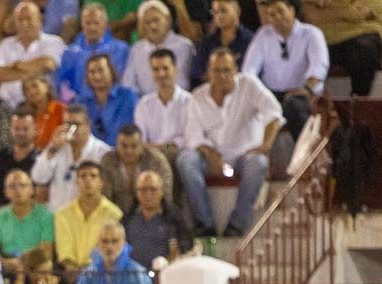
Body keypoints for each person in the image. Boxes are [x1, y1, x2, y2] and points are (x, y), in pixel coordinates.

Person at [178, 49, 282, 238]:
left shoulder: (249, 85)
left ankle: (236, 225)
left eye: (226, 70)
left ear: (235, 70)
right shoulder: (197, 97)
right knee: (186, 160)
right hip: (210, 158)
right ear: (209, 72)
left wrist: (266, 146)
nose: (222, 76)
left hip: (244, 154)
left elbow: (274, 114)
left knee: (258, 163)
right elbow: (193, 136)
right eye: (217, 71)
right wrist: (211, 155)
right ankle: (204, 224)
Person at [241, 0, 328, 141]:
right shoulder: (263, 35)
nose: (277, 18)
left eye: (281, 12)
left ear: (292, 10)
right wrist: (256, 93)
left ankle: (307, 155)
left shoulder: (312, 34)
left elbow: (319, 68)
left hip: (305, 94)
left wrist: (306, 89)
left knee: (294, 106)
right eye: (271, 15)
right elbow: (249, 70)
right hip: (271, 95)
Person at [30, 103, 111, 212]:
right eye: (66, 124)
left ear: (87, 125)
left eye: (76, 124)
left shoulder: (103, 152)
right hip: (58, 216)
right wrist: (53, 148)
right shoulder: (56, 146)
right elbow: (38, 177)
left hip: (87, 217)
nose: (71, 129)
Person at [0, 168, 55, 284]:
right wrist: (5, 262)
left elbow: (47, 250)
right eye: (12, 186)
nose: (17, 190)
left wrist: (23, 262)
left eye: (22, 185)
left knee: (43, 272)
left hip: (36, 263)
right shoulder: (0, 215)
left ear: (32, 190)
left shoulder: (45, 215)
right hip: (7, 263)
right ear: (6, 192)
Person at [0, 2, 66, 109]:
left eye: (29, 18)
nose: (24, 23)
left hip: (38, 106)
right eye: (20, 20)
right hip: (5, 105)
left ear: (40, 18)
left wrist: (14, 66)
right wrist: (34, 73)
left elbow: (47, 65)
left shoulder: (54, 42)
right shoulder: (6, 43)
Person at [304, 0, 382, 98]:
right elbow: (311, 15)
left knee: (365, 49)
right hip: (322, 36)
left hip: (361, 34)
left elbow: (375, 11)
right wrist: (346, 12)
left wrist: (330, 9)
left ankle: (359, 102)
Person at [54, 160, 123, 274]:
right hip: (69, 274)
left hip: (102, 273)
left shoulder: (114, 214)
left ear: (101, 182)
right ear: (77, 182)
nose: (88, 180)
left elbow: (112, 248)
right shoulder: (62, 214)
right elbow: (64, 249)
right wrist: (71, 269)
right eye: (83, 176)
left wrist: (90, 271)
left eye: (93, 176)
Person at [71, 220, 155, 284]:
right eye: (105, 241)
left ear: (124, 243)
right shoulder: (88, 275)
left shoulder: (138, 275)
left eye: (115, 241)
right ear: (98, 244)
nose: (109, 246)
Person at [57, 3, 129, 102]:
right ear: (82, 24)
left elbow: (121, 81)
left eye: (96, 23)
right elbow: (63, 82)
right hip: (79, 106)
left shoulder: (121, 49)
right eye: (88, 23)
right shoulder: (70, 52)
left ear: (105, 24)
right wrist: (73, 99)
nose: (92, 28)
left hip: (112, 103)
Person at [134, 49, 193, 169]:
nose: (161, 74)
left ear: (175, 69)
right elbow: (140, 139)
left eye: (165, 68)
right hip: (151, 156)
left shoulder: (190, 101)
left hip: (180, 155)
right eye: (156, 69)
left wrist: (165, 148)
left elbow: (190, 136)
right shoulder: (144, 104)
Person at [122, 0, 194, 96]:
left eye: (156, 20)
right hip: (143, 104)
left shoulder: (183, 46)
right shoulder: (136, 49)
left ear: (168, 20)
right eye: (147, 22)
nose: (153, 26)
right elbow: (128, 84)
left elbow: (182, 83)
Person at [123, 169, 192, 268]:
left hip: (165, 274)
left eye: (153, 189)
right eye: (143, 189)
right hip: (132, 276)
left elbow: (184, 247)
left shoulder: (174, 218)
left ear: (162, 191)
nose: (148, 194)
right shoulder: (128, 220)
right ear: (136, 192)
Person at [99, 125, 172, 215]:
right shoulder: (108, 160)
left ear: (142, 145)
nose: (129, 151)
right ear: (117, 145)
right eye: (124, 146)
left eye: (134, 146)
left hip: (152, 214)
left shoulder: (156, 160)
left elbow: (165, 195)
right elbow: (104, 196)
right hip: (116, 214)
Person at [0, 107, 41, 210]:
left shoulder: (42, 159)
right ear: (10, 130)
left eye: (25, 129)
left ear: (35, 129)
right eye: (17, 128)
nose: (21, 133)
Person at [190, 0, 252, 89]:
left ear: (237, 10)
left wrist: (214, 74)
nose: (219, 16)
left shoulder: (250, 41)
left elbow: (249, 74)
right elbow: (196, 71)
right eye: (215, 12)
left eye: (223, 10)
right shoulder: (207, 42)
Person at [81, 54, 137, 148]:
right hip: (92, 154)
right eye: (92, 72)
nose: (97, 76)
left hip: (122, 152)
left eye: (101, 70)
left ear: (111, 71)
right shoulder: (82, 102)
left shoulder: (127, 96)